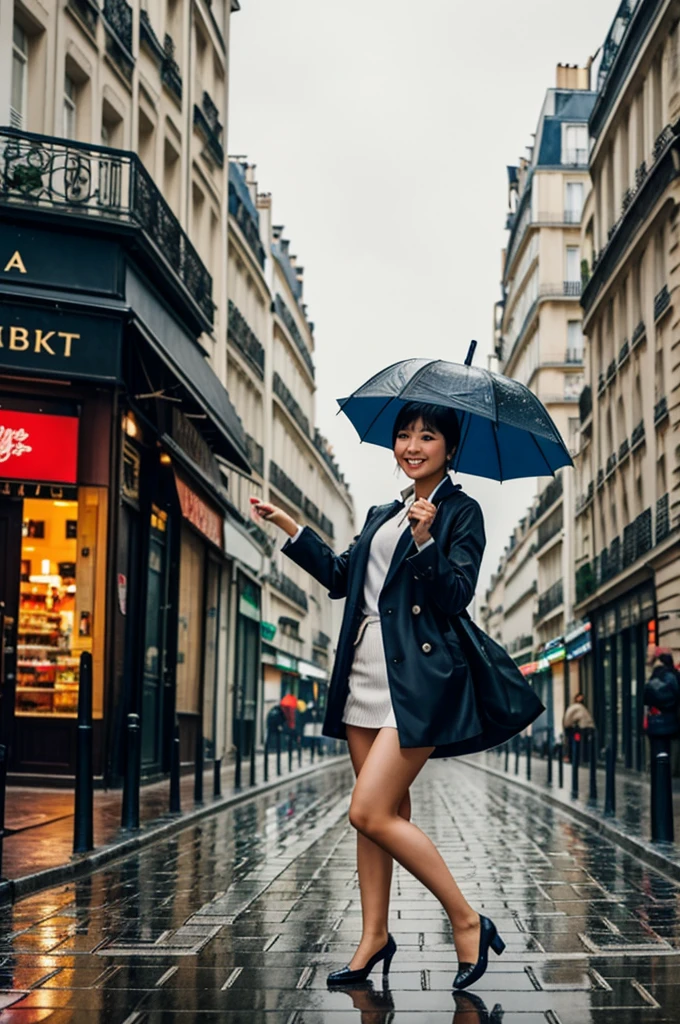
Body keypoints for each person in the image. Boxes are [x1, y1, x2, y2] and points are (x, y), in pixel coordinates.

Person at [250, 402, 507, 992]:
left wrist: (425, 543)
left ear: (449, 447)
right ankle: (373, 937)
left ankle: (467, 920)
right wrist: (291, 527)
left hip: (415, 682)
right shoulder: (382, 512)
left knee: (367, 809)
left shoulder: (459, 512)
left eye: (427, 435)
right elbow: (343, 578)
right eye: (404, 435)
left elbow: (456, 596)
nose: (412, 445)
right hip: (363, 673)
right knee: (379, 819)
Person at [643, 647, 680, 768]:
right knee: (671, 755)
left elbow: (646, 697)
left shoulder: (656, 675)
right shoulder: (674, 675)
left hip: (656, 721)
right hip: (672, 720)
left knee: (658, 756)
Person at [563, 692, 594, 761]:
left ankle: (573, 756)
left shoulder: (575, 707)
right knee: (581, 742)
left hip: (579, 728)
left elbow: (569, 719)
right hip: (584, 728)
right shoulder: (579, 707)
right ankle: (582, 757)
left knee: (574, 741)